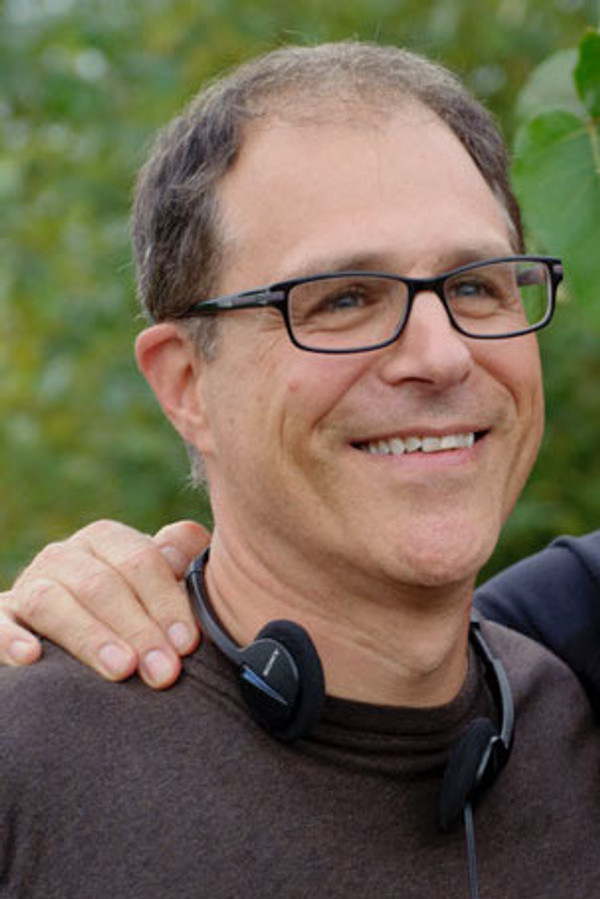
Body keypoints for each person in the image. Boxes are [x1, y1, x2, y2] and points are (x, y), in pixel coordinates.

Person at [2, 41, 600, 898]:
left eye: (477, 286)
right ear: (186, 384)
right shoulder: (29, 766)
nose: (441, 355)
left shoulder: (575, 721)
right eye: (344, 299)